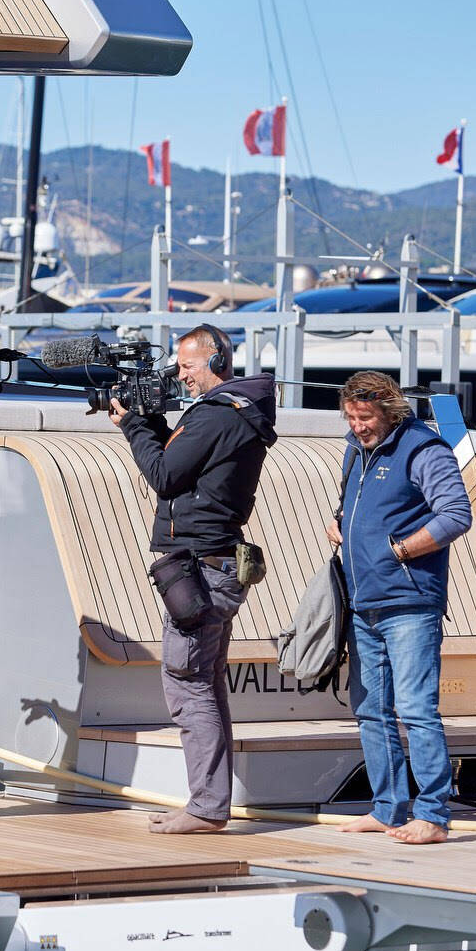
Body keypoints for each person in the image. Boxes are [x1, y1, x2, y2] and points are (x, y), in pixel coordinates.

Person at [110, 325, 277, 834]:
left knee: (188, 686)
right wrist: (151, 425)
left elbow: (163, 477)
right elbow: (182, 467)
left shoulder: (214, 414)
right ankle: (209, 803)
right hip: (216, 563)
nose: (179, 375)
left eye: (187, 366)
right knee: (204, 685)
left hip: (202, 566)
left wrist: (134, 426)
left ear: (217, 360)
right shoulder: (237, 412)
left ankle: (206, 808)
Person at [327, 372, 472, 845]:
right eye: (350, 416)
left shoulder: (423, 449)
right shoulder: (356, 450)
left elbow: (455, 515)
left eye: (365, 417)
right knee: (371, 710)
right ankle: (388, 809)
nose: (357, 425)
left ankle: (432, 815)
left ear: (391, 411)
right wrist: (344, 530)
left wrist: (399, 551)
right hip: (363, 601)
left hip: (409, 601)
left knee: (416, 710)